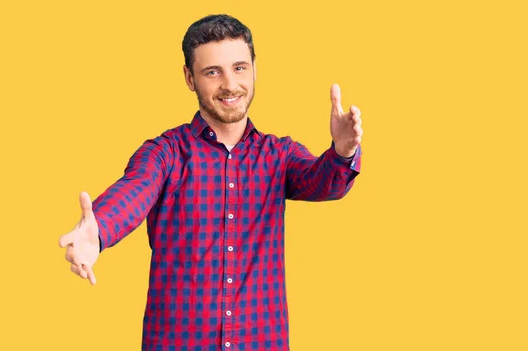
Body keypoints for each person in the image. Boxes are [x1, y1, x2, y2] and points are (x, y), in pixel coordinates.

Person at [59, 14, 363, 351]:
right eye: (212, 72)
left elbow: (324, 182)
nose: (230, 85)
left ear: (254, 69)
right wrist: (98, 232)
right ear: (190, 78)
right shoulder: (165, 153)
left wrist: (342, 151)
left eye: (239, 68)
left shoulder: (279, 155)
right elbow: (134, 192)